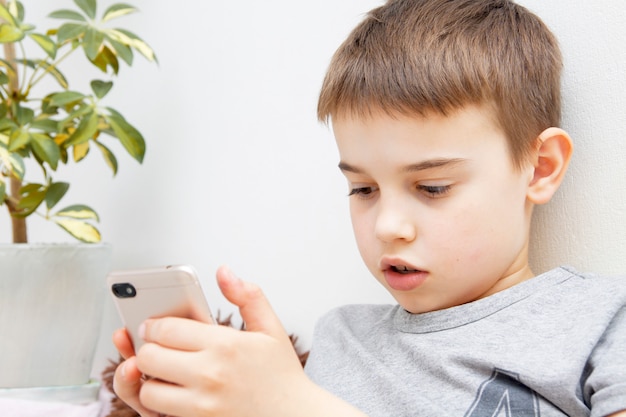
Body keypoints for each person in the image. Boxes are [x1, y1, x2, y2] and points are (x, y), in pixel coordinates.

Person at [112, 0, 626, 416]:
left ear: (539, 168)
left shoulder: (600, 323)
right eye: (362, 190)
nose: (387, 227)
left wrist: (294, 405)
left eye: (433, 187)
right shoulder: (342, 338)